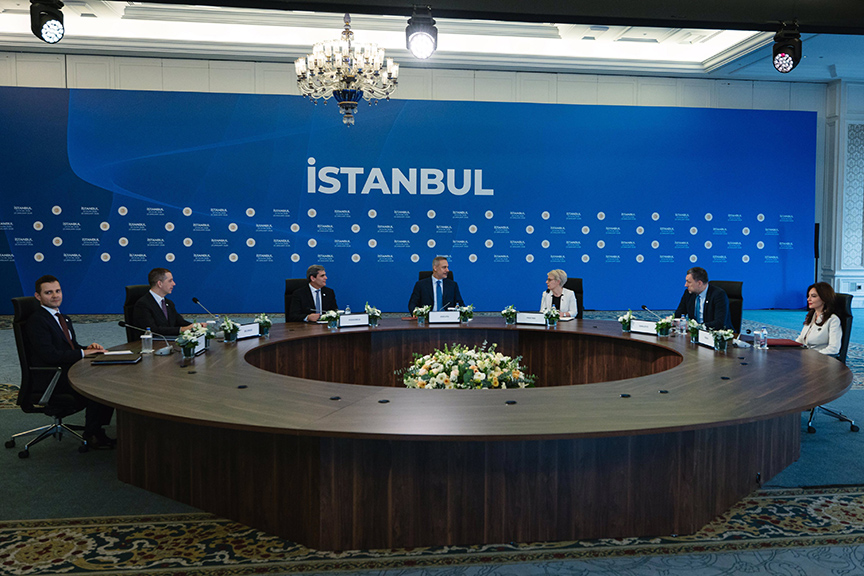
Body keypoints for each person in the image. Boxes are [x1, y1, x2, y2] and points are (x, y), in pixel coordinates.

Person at [26, 275, 116, 449]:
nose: (55, 296)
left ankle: (96, 430)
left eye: (58, 291)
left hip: (66, 369)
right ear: (38, 296)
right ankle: (92, 435)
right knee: (99, 387)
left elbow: (69, 346)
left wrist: (88, 348)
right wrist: (82, 353)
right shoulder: (37, 321)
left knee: (106, 376)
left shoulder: (63, 318)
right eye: (48, 292)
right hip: (52, 377)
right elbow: (50, 355)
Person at [133, 268, 197, 337]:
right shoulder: (143, 304)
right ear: (160, 284)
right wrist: (181, 329)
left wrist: (197, 326)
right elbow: (152, 330)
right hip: (153, 342)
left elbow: (179, 321)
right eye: (170, 281)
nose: (174, 284)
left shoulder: (169, 303)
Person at [796, 282, 842, 356]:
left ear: (824, 298)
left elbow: (834, 349)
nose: (808, 299)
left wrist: (812, 356)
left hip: (820, 359)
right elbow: (801, 339)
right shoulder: (811, 315)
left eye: (813, 296)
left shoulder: (833, 320)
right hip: (806, 355)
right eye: (808, 296)